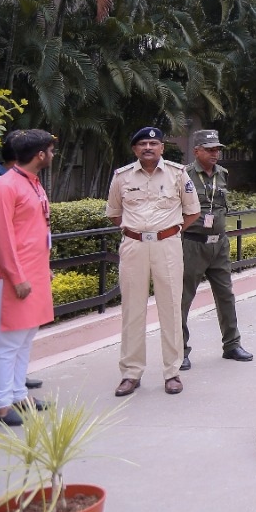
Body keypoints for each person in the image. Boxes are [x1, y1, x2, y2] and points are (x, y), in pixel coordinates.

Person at [107, 127, 201, 397]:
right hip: (134, 245)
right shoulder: (121, 177)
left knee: (171, 307)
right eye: (143, 144)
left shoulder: (177, 173)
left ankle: (172, 372)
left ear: (162, 147)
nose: (148, 147)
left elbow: (192, 211)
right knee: (132, 310)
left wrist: (169, 229)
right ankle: (131, 373)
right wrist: (137, 230)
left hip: (167, 245)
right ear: (135, 149)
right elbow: (115, 213)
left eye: (154, 143)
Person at [179, 130, 253, 372]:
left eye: (217, 149)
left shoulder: (222, 175)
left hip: (218, 244)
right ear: (196, 150)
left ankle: (232, 344)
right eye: (209, 149)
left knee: (226, 295)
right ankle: (180, 351)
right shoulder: (184, 175)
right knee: (183, 299)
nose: (215, 153)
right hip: (191, 243)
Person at [0, 130, 56, 426]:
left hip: (34, 272)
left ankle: (19, 395)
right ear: (40, 155)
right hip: (14, 277)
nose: (52, 155)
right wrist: (16, 276)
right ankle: (1, 404)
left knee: (25, 338)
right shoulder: (6, 186)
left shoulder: (31, 183)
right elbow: (3, 238)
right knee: (8, 342)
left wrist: (44, 269)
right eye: (50, 150)